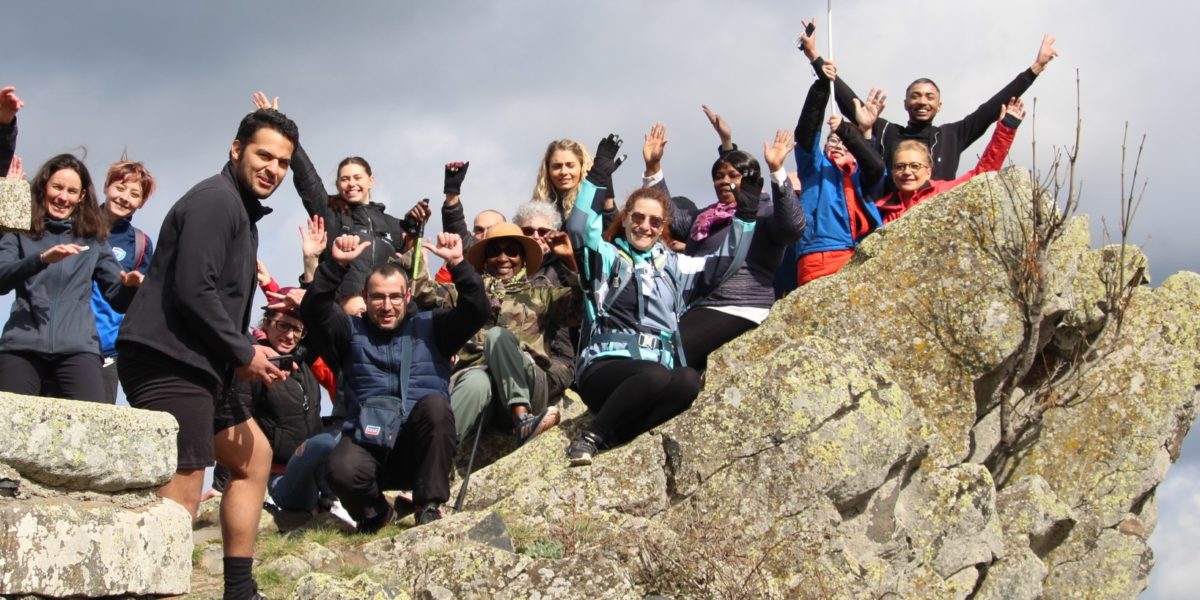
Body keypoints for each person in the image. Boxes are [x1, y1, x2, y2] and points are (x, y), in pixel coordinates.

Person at [117, 107, 297, 600]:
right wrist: (245, 350)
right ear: (235, 149)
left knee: (253, 457)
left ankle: (238, 589)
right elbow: (194, 288)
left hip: (208, 364)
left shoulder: (240, 209)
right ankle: (162, 590)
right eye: (264, 155)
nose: (273, 170)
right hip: (168, 358)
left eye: (283, 162)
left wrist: (237, 355)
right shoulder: (216, 202)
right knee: (187, 471)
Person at [564, 134, 759, 465]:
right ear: (625, 220)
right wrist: (599, 173)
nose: (645, 226)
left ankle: (620, 434)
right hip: (605, 368)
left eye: (655, 221)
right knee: (654, 374)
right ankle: (590, 436)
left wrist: (747, 213)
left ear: (662, 227)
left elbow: (726, 263)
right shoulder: (606, 257)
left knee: (686, 381)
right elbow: (581, 227)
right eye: (637, 218)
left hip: (657, 371)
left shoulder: (674, 265)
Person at [300, 231, 487, 532]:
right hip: (370, 444)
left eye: (394, 297)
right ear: (365, 297)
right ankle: (376, 515)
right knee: (340, 468)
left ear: (408, 296)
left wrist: (459, 265)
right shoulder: (349, 332)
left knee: (436, 407)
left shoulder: (434, 327)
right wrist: (334, 266)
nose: (386, 306)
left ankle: (428, 506)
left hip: (420, 449)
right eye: (377, 297)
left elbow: (477, 310)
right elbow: (313, 312)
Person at [0, 88, 144, 403]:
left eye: (71, 191)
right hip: (21, 346)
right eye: (57, 187)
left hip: (78, 350)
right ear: (43, 188)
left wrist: (131, 286)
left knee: (94, 430)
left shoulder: (91, 239)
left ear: (81, 197)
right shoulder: (21, 231)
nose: (63, 197)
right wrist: (42, 260)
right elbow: (1, 278)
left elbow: (116, 298)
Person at [642, 116, 805, 371]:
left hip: (740, 305)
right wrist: (653, 167)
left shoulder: (764, 212)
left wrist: (777, 170)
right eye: (718, 176)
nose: (724, 181)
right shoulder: (705, 217)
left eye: (733, 175)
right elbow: (670, 217)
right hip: (699, 305)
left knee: (669, 351)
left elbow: (793, 227)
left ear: (749, 180)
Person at [813, 23, 1055, 181]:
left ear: (940, 106)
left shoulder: (953, 135)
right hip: (893, 216)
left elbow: (990, 109)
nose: (922, 102)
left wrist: (1034, 69)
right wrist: (815, 58)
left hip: (937, 214)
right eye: (915, 96)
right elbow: (852, 104)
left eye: (930, 97)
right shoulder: (887, 131)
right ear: (905, 104)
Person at [253, 93, 413, 316]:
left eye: (357, 177)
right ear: (337, 183)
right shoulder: (331, 212)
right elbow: (306, 176)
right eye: (344, 179)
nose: (351, 184)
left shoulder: (393, 225)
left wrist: (416, 227)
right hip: (345, 315)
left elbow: (414, 267)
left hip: (387, 314)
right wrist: (280, 126)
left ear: (371, 180)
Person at [449, 222, 578, 445]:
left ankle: (523, 417)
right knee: (475, 382)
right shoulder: (468, 294)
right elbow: (421, 295)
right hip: (483, 391)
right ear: (485, 259)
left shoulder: (543, 293)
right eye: (494, 252)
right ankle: (438, 459)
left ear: (523, 258)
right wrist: (416, 242)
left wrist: (571, 263)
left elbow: (581, 307)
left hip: (529, 384)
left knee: (497, 336)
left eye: (511, 251)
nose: (503, 258)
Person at [212, 296, 335, 514]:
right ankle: (332, 502)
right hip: (277, 478)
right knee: (323, 442)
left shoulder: (305, 366)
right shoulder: (253, 367)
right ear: (266, 323)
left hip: (313, 475)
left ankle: (333, 500)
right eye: (283, 325)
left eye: (298, 330)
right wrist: (221, 486)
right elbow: (235, 422)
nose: (289, 335)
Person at [790, 22, 886, 287]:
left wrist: (846, 130)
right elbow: (806, 133)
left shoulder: (862, 175)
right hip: (819, 253)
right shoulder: (814, 168)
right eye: (832, 140)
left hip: (862, 254)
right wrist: (822, 85)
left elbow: (875, 166)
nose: (838, 144)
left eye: (843, 142)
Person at [876, 97, 1026, 224]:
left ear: (928, 171)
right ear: (893, 172)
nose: (907, 171)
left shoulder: (943, 193)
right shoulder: (880, 208)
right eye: (900, 166)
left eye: (915, 166)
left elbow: (982, 176)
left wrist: (1006, 128)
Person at [91, 160, 157, 403]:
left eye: (135, 194)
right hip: (64, 340)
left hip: (107, 353)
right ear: (107, 186)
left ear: (141, 202)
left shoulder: (140, 244)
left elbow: (142, 302)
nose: (124, 198)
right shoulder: (77, 225)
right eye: (120, 188)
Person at [531, 139, 593, 220]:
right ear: (547, 170)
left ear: (582, 168)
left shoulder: (594, 202)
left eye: (570, 166)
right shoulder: (538, 207)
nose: (563, 172)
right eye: (557, 166)